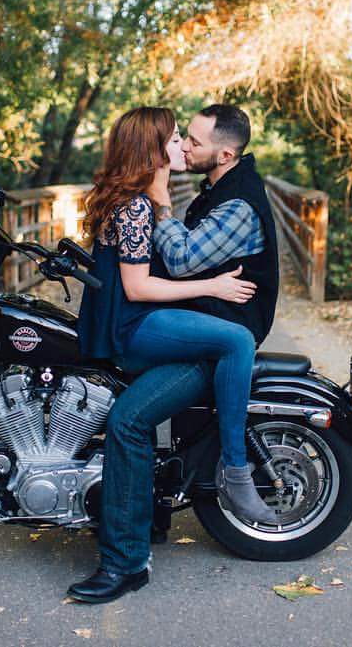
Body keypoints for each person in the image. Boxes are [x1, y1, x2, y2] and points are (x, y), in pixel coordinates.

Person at [69, 105, 281, 604]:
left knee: (230, 345)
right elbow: (144, 278)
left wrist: (162, 205)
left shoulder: (156, 202)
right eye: (175, 139)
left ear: (224, 153)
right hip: (151, 325)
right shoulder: (144, 203)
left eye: (189, 140)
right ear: (151, 152)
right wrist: (212, 284)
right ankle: (138, 532)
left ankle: (228, 474)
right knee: (131, 418)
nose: (183, 146)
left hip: (171, 327)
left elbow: (162, 269)